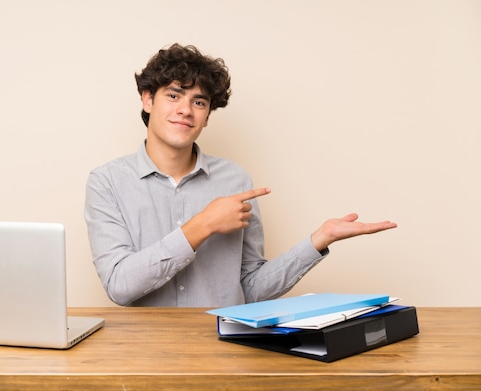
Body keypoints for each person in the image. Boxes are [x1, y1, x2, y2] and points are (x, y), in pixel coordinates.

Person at [84, 43, 397, 307]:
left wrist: (317, 242)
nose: (186, 109)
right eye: (174, 95)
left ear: (207, 116)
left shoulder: (235, 181)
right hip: (144, 362)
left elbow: (250, 289)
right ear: (148, 99)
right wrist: (204, 224)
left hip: (224, 351)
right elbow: (120, 286)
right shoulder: (107, 183)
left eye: (199, 101)